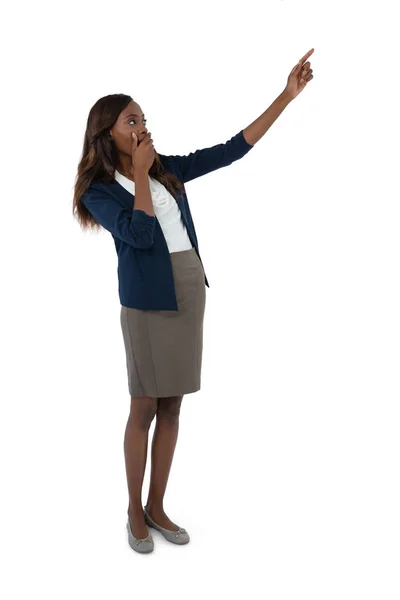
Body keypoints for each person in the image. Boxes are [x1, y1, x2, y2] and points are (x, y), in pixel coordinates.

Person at [72, 49, 313, 555]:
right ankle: (133, 511)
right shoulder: (100, 189)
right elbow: (138, 235)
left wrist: (285, 98)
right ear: (107, 133)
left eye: (144, 116)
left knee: (174, 404)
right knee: (144, 405)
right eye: (130, 118)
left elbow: (231, 150)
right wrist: (138, 173)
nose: (142, 124)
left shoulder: (163, 171)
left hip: (186, 286)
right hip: (145, 298)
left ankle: (157, 505)